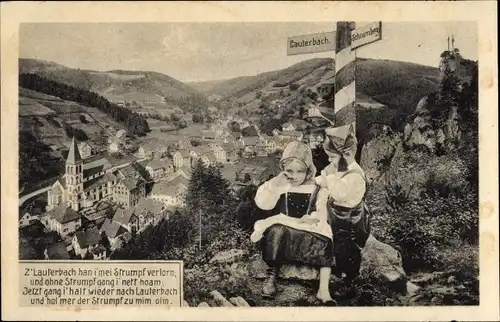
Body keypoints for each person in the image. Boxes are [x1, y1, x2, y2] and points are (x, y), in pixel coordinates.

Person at [251, 141, 335, 303]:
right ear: (283, 170)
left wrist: (314, 217)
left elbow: (321, 210)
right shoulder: (283, 186)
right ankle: (272, 276)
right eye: (289, 171)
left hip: (308, 228)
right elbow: (263, 203)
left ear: (308, 171)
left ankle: (323, 290)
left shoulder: (317, 188)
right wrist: (276, 182)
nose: (294, 176)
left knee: (326, 240)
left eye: (300, 171)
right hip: (286, 227)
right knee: (276, 231)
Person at [315, 124, 371, 281]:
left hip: (351, 218)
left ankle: (350, 278)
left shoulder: (354, 175)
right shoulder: (342, 168)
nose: (329, 160)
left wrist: (326, 178)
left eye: (332, 157)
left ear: (346, 154)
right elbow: (327, 177)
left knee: (349, 246)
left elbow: (338, 192)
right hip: (340, 215)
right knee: (338, 244)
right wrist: (319, 179)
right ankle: (340, 272)